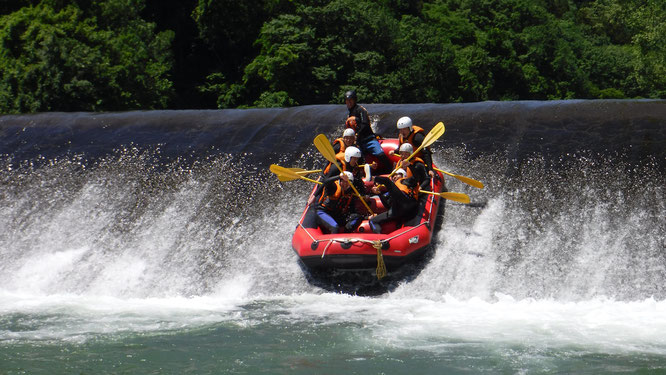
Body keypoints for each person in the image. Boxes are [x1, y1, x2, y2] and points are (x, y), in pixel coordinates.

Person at [344, 90, 392, 173]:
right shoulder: (350, 114)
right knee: (356, 159)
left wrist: (357, 134)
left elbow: (365, 124)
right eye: (347, 101)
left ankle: (390, 170)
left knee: (380, 154)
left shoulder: (360, 110)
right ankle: (358, 175)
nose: (349, 102)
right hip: (359, 142)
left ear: (354, 100)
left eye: (350, 100)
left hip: (369, 140)